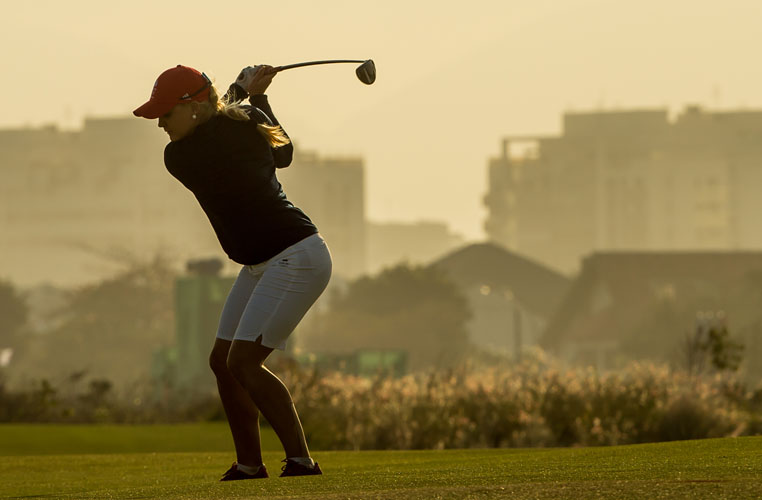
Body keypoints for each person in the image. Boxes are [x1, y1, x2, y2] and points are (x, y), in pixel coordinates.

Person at [133, 64, 331, 480]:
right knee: (223, 362)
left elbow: (284, 154)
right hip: (261, 263)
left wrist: (254, 96)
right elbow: (224, 141)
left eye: (166, 114)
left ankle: (300, 461)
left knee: (243, 362)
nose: (161, 125)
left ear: (195, 105)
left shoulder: (233, 129)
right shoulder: (182, 155)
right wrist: (247, 95)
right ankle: (248, 465)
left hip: (296, 254)